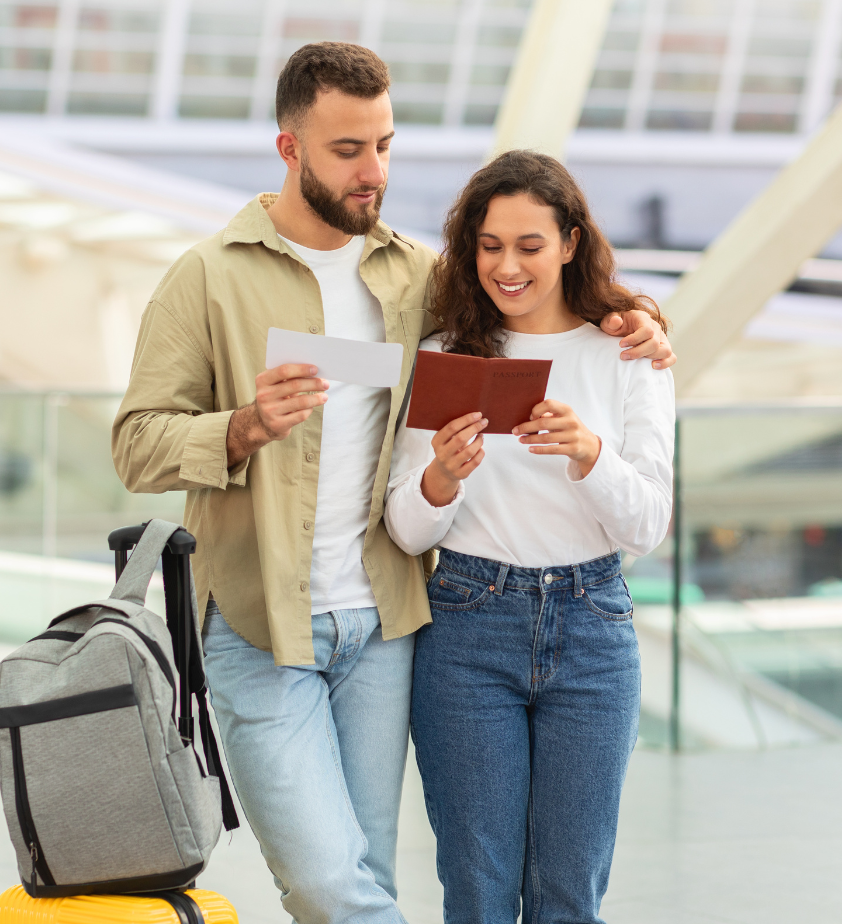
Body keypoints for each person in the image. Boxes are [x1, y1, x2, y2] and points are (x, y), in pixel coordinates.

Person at [111, 44, 672, 924]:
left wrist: (629, 320)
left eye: (384, 144)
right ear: (289, 148)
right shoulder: (209, 277)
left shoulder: (416, 276)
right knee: (333, 888)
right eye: (347, 150)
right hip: (262, 623)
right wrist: (245, 425)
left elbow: (526, 294)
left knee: (371, 874)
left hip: (387, 622)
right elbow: (137, 446)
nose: (373, 171)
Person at [383, 150, 675, 924]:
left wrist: (590, 455)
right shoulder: (447, 356)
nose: (506, 266)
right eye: (489, 245)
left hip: (594, 626)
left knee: (568, 895)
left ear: (571, 243)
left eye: (529, 246)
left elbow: (648, 524)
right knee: (477, 891)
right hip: (469, 626)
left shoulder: (628, 353)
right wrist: (441, 475)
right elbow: (407, 532)